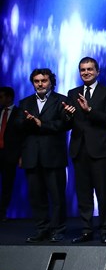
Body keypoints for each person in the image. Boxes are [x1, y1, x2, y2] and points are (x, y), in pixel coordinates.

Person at [62, 57, 106, 244]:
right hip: (79, 149)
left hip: (99, 150)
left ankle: (104, 230)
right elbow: (68, 123)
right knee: (83, 193)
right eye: (83, 70)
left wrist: (89, 110)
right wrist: (67, 115)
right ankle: (87, 230)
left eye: (89, 69)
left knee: (102, 193)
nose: (86, 72)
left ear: (97, 71)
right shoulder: (73, 93)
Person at [18, 68, 69, 243]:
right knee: (37, 197)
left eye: (44, 80)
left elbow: (65, 125)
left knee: (57, 197)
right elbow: (18, 128)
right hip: (31, 156)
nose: (40, 84)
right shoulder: (24, 103)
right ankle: (42, 229)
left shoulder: (61, 100)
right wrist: (28, 123)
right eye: (36, 81)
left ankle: (58, 230)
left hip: (53, 156)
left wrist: (42, 124)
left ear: (51, 82)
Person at [0, 86, 22, 222]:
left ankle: (2, 213)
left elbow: (22, 136)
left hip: (10, 155)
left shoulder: (19, 113)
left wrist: (21, 155)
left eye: (1, 97)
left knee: (7, 185)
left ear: (9, 97)